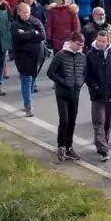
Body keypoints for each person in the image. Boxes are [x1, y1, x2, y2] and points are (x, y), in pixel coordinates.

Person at [46, 32, 87, 163]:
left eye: (82, 45)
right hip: (62, 93)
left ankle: (69, 146)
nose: (80, 47)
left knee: (72, 121)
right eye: (78, 44)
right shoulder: (60, 55)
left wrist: (80, 82)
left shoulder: (82, 57)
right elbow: (50, 73)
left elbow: (84, 73)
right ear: (72, 42)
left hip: (75, 93)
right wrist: (63, 82)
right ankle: (61, 146)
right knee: (64, 120)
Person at [85, 28, 111, 160]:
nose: (100, 43)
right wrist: (94, 87)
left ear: (108, 41)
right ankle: (103, 149)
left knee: (107, 122)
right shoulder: (90, 55)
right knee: (98, 121)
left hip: (110, 94)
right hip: (97, 94)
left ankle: (103, 142)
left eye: (103, 41)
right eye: (99, 41)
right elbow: (87, 75)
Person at [10, 1, 46, 117]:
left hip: (37, 56)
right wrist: (32, 33)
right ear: (19, 13)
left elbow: (42, 36)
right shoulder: (15, 24)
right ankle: (28, 105)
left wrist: (26, 34)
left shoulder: (36, 21)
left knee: (33, 79)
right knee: (26, 79)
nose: (26, 15)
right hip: (22, 56)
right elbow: (17, 37)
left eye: (28, 12)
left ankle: (28, 99)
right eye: (23, 12)